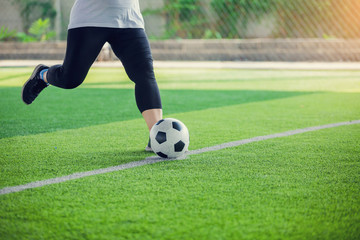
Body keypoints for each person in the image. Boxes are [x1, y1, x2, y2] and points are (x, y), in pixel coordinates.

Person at [21, 0, 162, 151]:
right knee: (70, 79)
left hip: (129, 19)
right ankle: (42, 75)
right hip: (90, 18)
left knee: (144, 74)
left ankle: (158, 136)